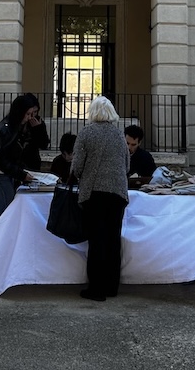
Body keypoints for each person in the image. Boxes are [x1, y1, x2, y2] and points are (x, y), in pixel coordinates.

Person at [70, 96, 130, 302]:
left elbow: (77, 166)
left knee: (97, 241)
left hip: (94, 193)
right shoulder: (119, 135)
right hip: (118, 193)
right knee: (113, 240)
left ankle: (96, 289)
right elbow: (127, 165)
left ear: (92, 112)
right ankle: (112, 286)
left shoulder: (87, 133)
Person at [0, 93, 49, 223]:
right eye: (29, 113)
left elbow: (42, 144)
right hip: (0, 176)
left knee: (7, 217)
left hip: (12, 174)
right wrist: (21, 174)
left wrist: (38, 129)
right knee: (3, 219)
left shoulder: (15, 128)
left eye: (34, 113)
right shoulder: (6, 129)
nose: (31, 117)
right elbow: (0, 158)